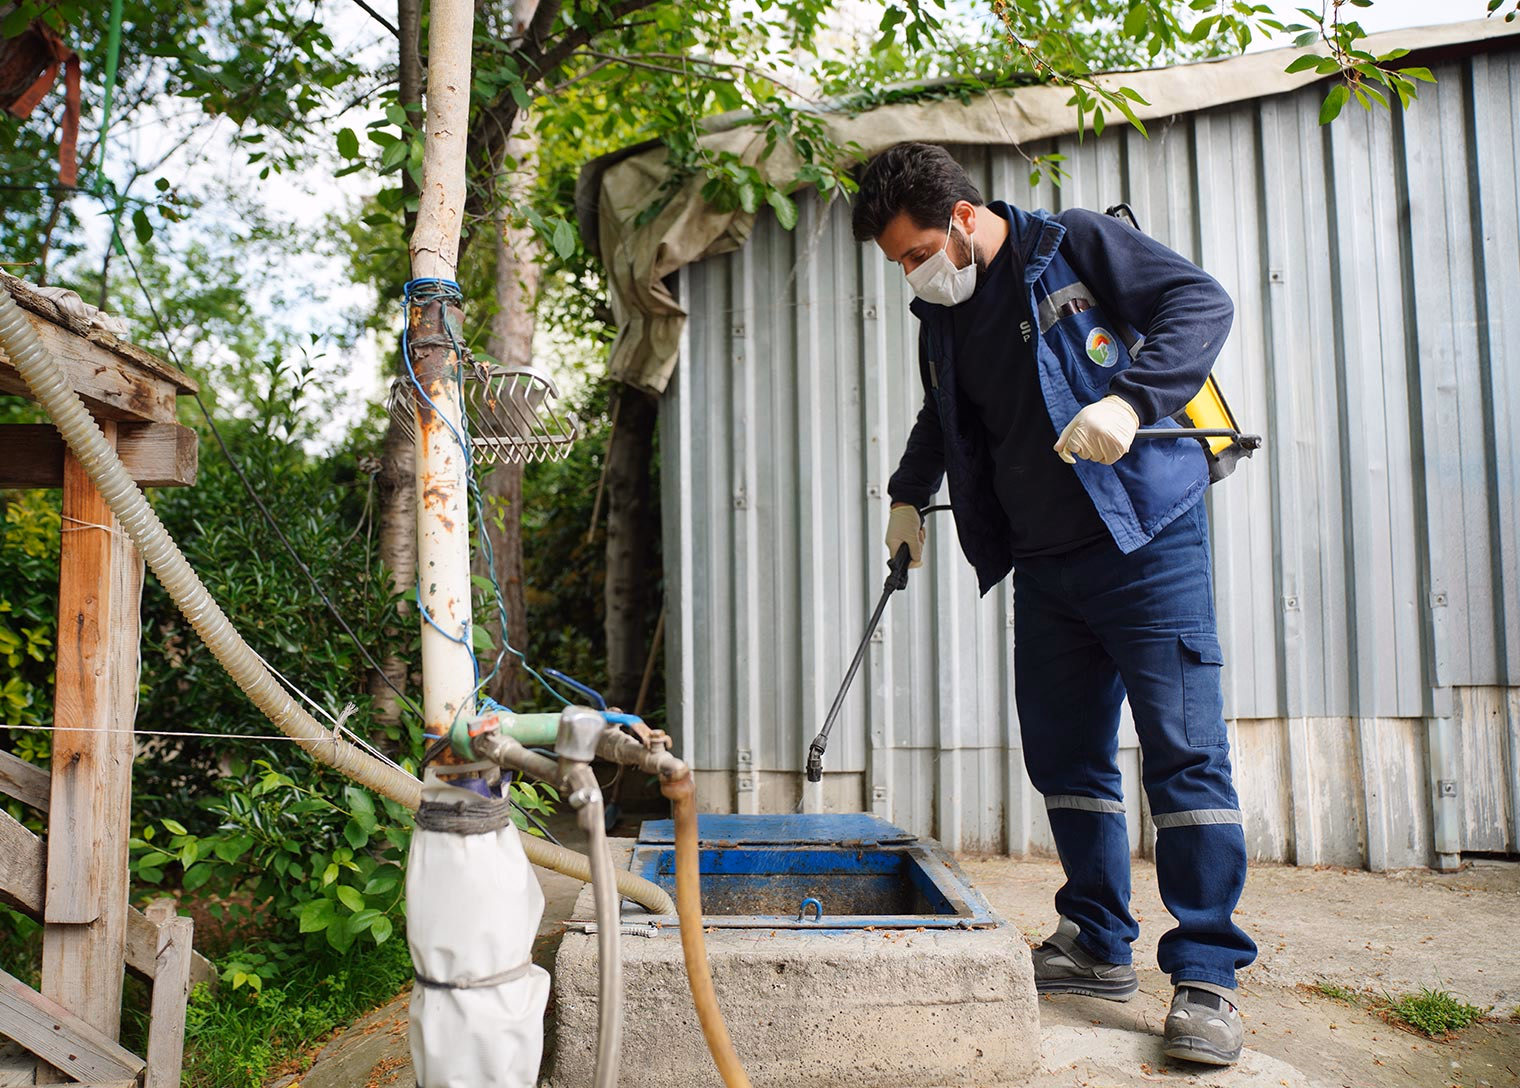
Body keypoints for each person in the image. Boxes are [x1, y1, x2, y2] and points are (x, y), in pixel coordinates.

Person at [851, 142, 1257, 1067]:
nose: (914, 276)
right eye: (898, 266)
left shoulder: (1070, 246)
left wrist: (1131, 400)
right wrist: (908, 495)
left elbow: (1202, 302)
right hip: (1044, 563)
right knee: (1066, 759)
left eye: (916, 254)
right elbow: (942, 415)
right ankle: (1097, 944)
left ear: (960, 219)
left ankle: (1206, 977)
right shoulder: (942, 317)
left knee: (1184, 755)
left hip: (1144, 544)